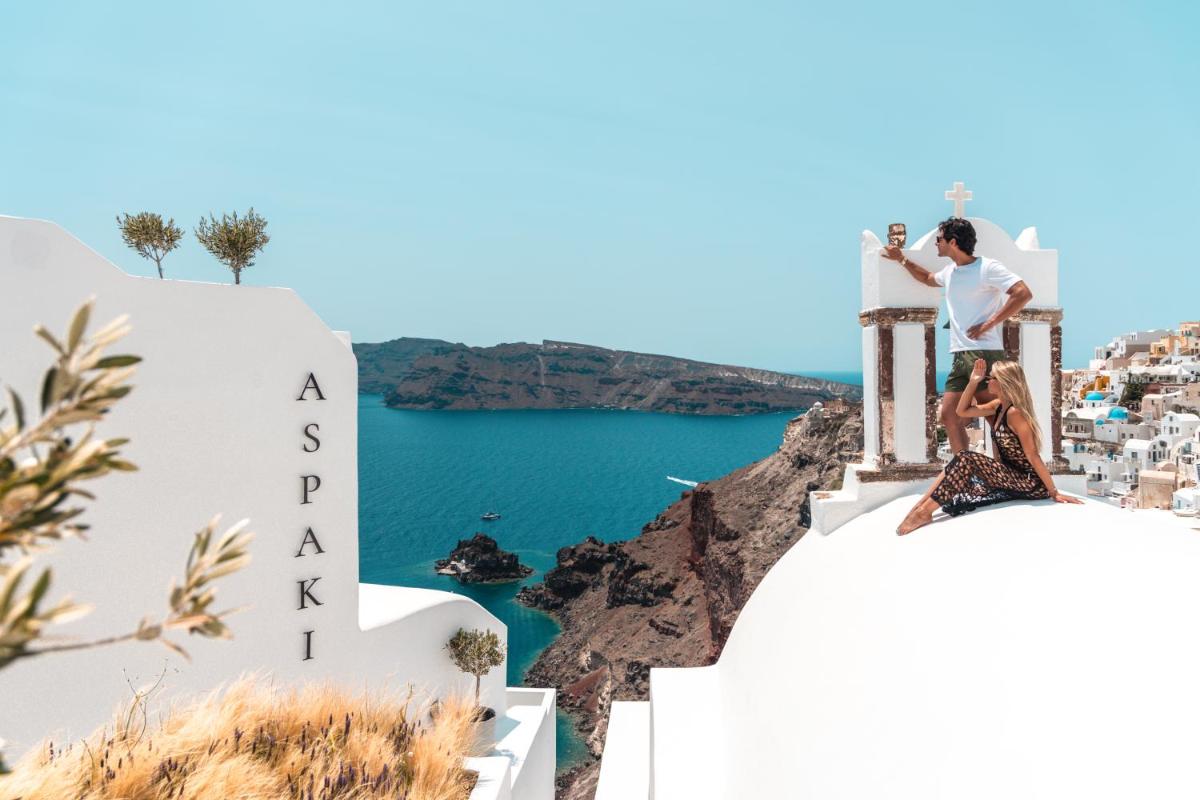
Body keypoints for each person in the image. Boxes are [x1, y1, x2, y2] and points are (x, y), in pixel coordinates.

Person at [881, 218, 1033, 454]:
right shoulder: (951, 272)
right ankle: (964, 468)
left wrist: (989, 324)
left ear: (953, 242)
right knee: (949, 416)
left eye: (939, 239)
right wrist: (901, 259)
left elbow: (1022, 293)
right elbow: (928, 278)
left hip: (983, 353)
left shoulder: (987, 267)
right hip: (961, 356)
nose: (936, 243)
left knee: (994, 417)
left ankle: (1003, 469)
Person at [897, 358, 1082, 535]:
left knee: (966, 457)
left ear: (1004, 382)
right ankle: (921, 506)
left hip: (1029, 482)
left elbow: (1033, 455)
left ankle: (925, 512)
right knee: (961, 456)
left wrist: (1054, 492)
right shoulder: (999, 406)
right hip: (1008, 475)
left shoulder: (1015, 413)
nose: (987, 380)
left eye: (991, 377)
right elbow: (961, 411)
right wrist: (972, 382)